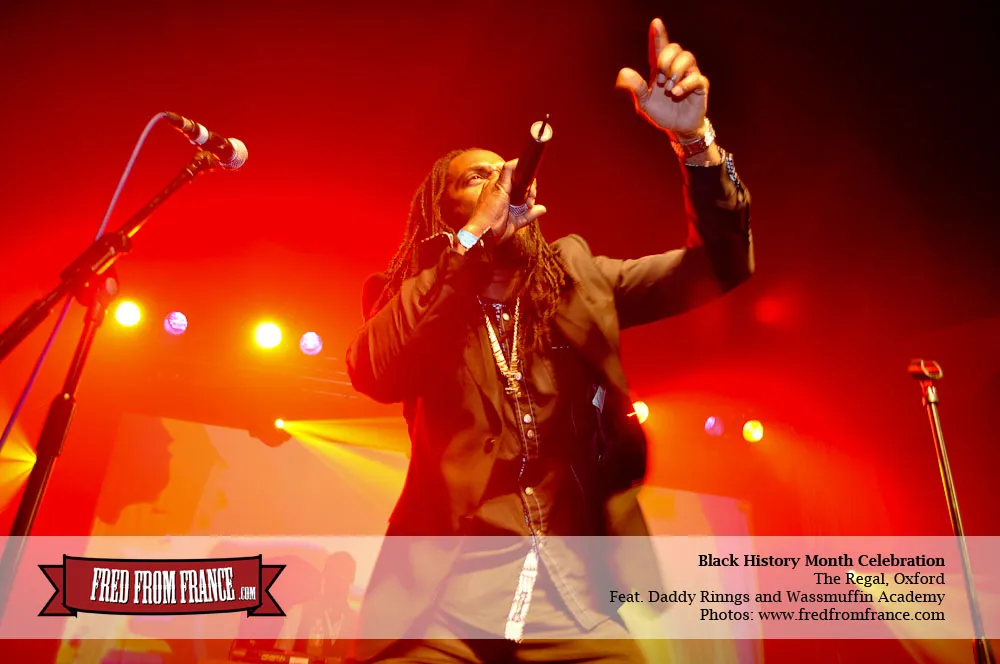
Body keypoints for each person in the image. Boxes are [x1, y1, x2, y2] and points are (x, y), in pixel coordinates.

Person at [345, 17, 753, 664]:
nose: (502, 180)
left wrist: (695, 143)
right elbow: (374, 371)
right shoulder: (416, 297)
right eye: (477, 179)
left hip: (571, 602)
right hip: (440, 611)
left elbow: (721, 267)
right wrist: (470, 244)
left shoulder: (578, 280)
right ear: (446, 212)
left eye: (506, 173)